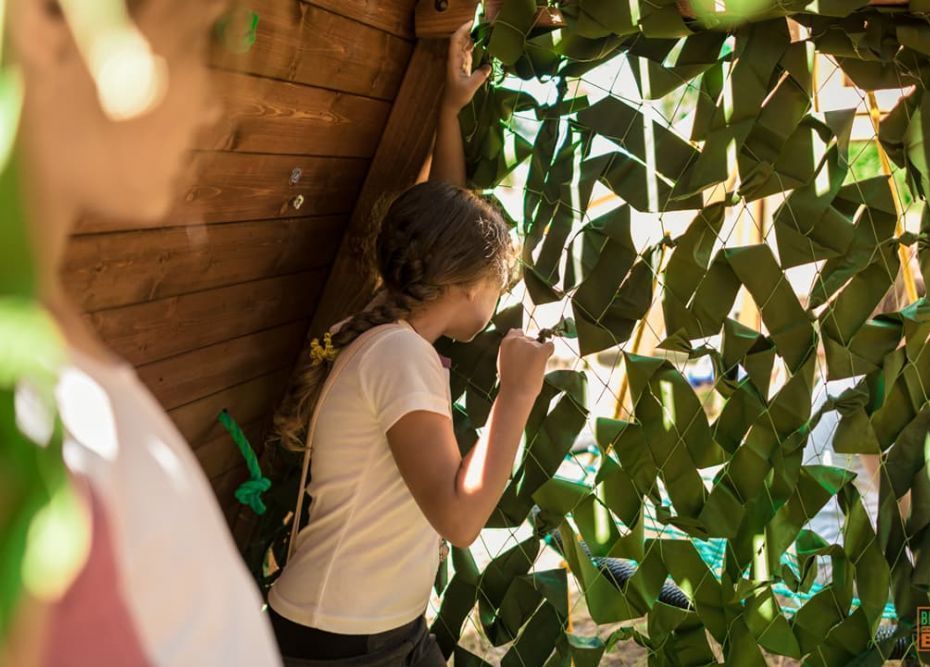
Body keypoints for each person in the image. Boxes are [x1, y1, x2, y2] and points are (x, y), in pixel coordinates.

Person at [264, 23, 555, 667]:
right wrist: (518, 392)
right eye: (497, 278)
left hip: (361, 630)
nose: (499, 292)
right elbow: (458, 519)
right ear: (458, 281)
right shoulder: (400, 357)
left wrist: (448, 111)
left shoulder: (384, 328)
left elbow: (440, 217)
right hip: (344, 644)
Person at [9, 0, 282, 664]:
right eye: (202, 40)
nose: (218, 105)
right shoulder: (17, 404)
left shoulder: (48, 335)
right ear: (48, 19)